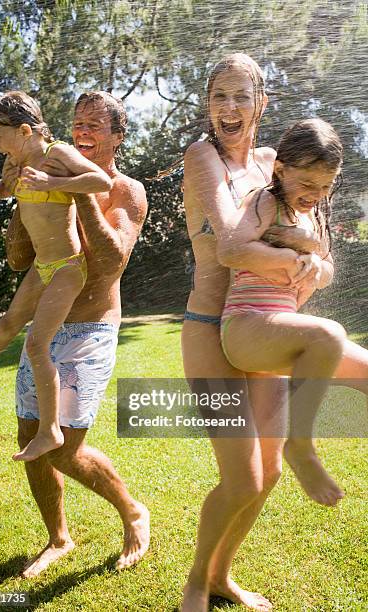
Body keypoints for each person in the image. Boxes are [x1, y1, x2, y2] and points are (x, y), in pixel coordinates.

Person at [181, 53, 368, 612]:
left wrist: (313, 262)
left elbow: (323, 258)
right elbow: (230, 246)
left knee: (264, 479)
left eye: (242, 96)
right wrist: (299, 257)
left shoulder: (281, 163)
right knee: (241, 479)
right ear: (208, 102)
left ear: (262, 103)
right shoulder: (202, 156)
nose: (229, 108)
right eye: (219, 96)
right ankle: (196, 581)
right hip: (214, 327)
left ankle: (222, 577)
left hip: (269, 324)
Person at [0, 91, 149, 577]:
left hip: (91, 325)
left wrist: (75, 190)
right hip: (46, 320)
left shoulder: (126, 191)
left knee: (65, 448)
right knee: (29, 436)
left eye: (96, 125)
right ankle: (58, 537)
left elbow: (111, 262)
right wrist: (18, 195)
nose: (83, 132)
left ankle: (133, 511)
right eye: (77, 123)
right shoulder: (44, 170)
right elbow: (19, 259)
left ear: (118, 136)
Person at [0, 90, 113, 462]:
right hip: (41, 267)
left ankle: (50, 431)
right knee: (8, 323)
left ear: (25, 129)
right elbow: (10, 187)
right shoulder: (14, 163)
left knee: (35, 345)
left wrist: (53, 185)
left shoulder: (55, 154)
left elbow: (100, 181)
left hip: (66, 269)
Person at [220, 118, 353, 507]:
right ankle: (300, 444)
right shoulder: (265, 202)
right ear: (280, 168)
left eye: (326, 185)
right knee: (328, 335)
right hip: (245, 326)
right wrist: (292, 253)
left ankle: (297, 444)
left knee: (330, 341)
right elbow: (229, 250)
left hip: (272, 333)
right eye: (308, 184)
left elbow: (326, 273)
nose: (317, 194)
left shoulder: (311, 219)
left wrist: (311, 254)